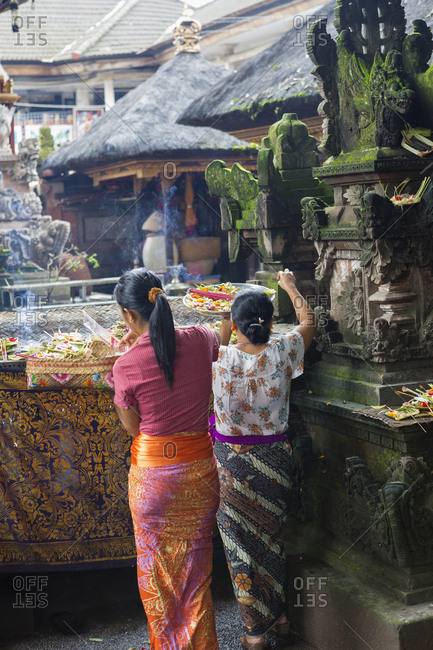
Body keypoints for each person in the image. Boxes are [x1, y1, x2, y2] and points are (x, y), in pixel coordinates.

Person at [112, 267, 220, 650]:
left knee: (157, 577)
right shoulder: (201, 339)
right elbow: (221, 332)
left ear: (128, 316)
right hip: (200, 474)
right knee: (196, 575)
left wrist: (131, 352)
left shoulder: (124, 366)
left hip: (154, 481)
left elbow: (133, 429)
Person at [212, 269, 317, 650]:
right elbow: (310, 320)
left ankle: (255, 632)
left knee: (239, 545)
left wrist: (225, 319)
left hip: (231, 465)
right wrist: (288, 285)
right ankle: (283, 619)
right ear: (271, 323)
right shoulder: (283, 350)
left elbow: (220, 337)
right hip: (274, 460)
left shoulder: (218, 357)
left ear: (235, 325)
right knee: (273, 539)